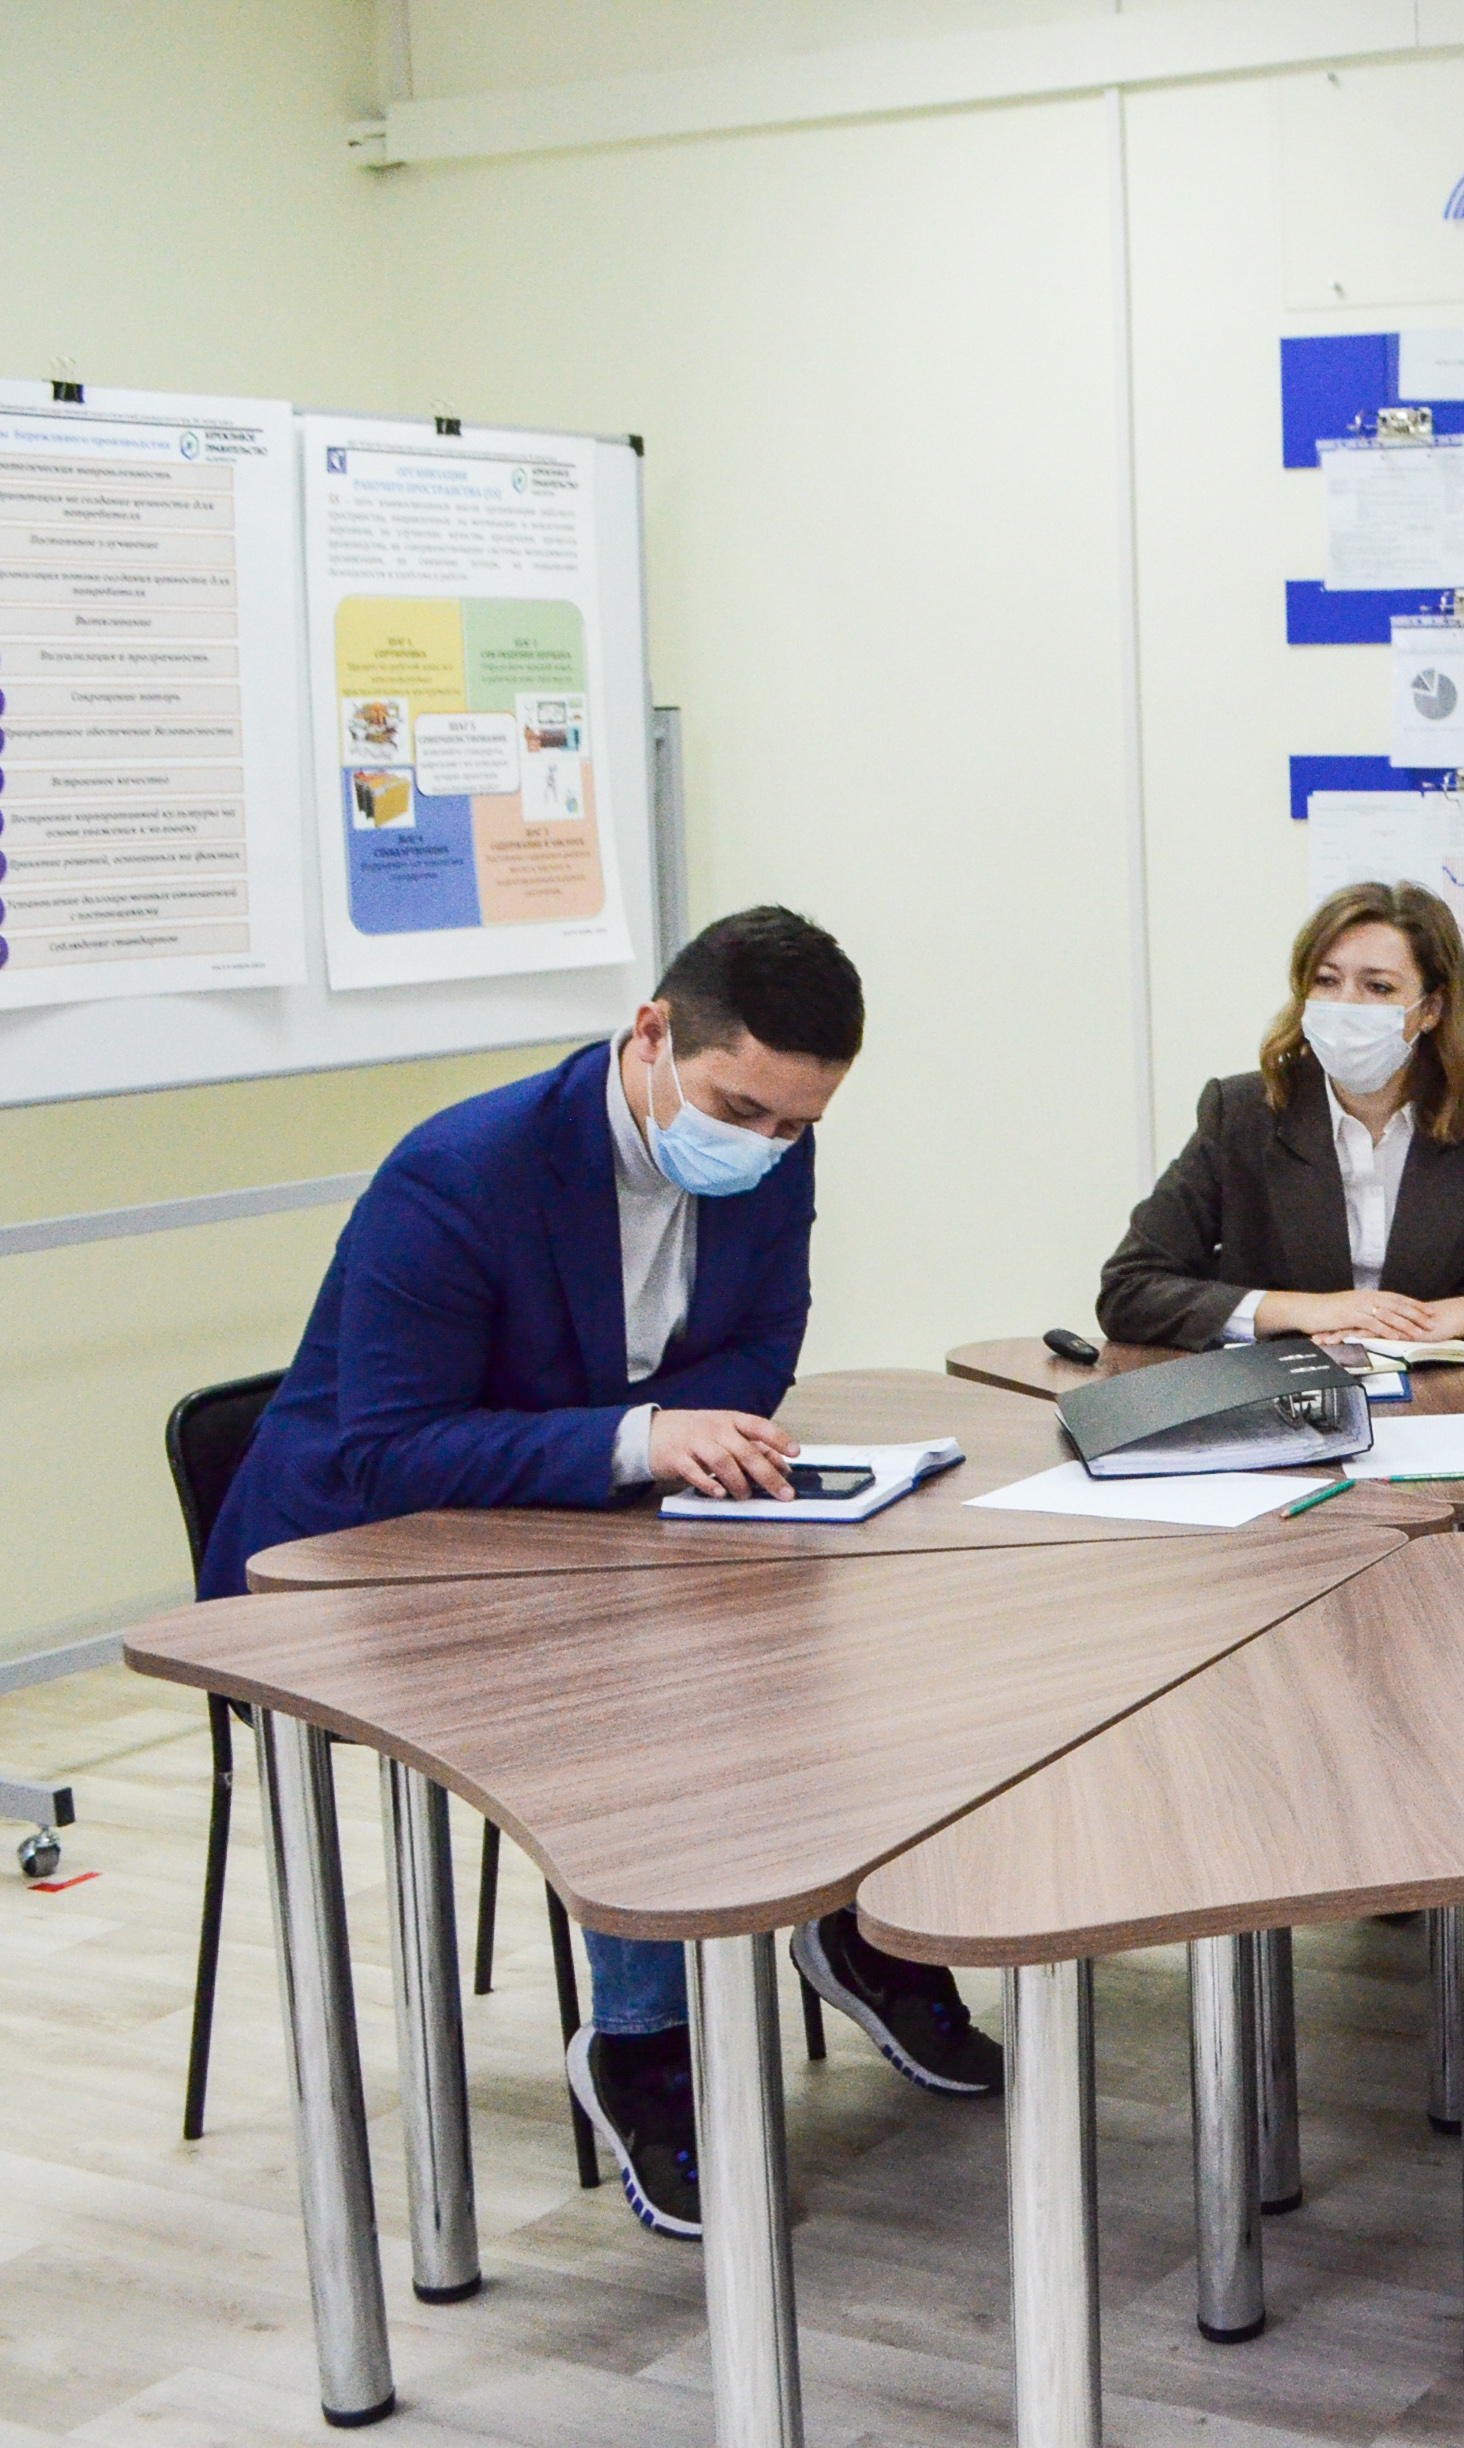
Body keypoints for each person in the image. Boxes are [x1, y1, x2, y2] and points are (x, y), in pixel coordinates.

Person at [203, 907, 1001, 2243]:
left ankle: (853, 1928)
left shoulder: (773, 1148)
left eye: (797, 1124)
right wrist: (641, 1440)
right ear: (650, 1037)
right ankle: (644, 2050)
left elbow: (760, 1354)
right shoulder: (461, 1172)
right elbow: (389, 1447)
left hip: (579, 1522)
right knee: (643, 1682)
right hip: (356, 1562)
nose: (766, 1144)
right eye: (740, 1109)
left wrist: (667, 1442)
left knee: (836, 1613)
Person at [1099, 881, 1464, 1350]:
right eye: (1326, 981)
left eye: (1378, 987)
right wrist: (1305, 1310)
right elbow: (1129, 1288)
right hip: (1289, 1393)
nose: (1345, 1005)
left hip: (1451, 1397)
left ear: (1430, 1009)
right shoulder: (1242, 1112)